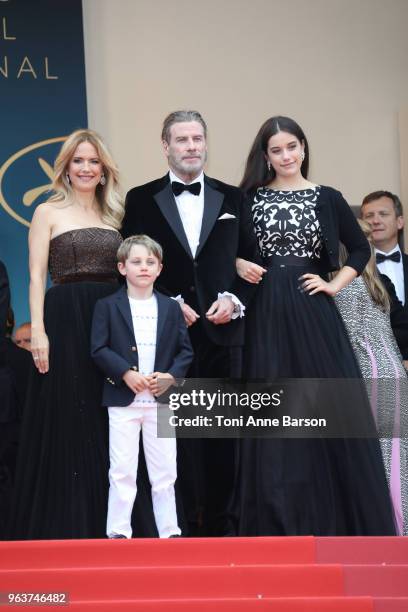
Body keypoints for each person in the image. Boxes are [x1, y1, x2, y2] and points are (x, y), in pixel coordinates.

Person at [234, 115, 395, 535]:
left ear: (303, 148)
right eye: (276, 150)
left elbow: (360, 248)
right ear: (265, 157)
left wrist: (332, 284)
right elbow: (225, 250)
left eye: (292, 146)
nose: (286, 156)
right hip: (266, 310)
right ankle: (278, 519)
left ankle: (336, 520)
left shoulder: (328, 196)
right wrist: (237, 262)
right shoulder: (248, 198)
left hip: (314, 311)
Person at [121, 110, 260, 536]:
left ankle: (222, 529)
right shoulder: (140, 198)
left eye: (198, 138)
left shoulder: (233, 197)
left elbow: (254, 260)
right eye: (182, 139)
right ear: (166, 146)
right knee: (170, 438)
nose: (192, 146)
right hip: (164, 337)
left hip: (223, 334)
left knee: (220, 437)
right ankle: (176, 528)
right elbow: (128, 263)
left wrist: (235, 299)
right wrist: (168, 302)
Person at [8, 129, 124, 539]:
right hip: (64, 319)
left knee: (110, 415)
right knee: (70, 413)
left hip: (110, 319)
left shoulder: (115, 217)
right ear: (66, 168)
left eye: (94, 161)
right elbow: (37, 277)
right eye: (79, 161)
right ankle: (69, 523)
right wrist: (38, 331)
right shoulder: (47, 212)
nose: (86, 168)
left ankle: (113, 524)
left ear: (104, 169)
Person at [91, 235, 193, 539]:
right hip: (123, 400)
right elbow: (98, 348)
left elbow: (185, 351)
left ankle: (170, 531)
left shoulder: (172, 308)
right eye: (136, 262)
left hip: (162, 401)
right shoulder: (107, 306)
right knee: (122, 468)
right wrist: (125, 373)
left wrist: (170, 376)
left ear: (160, 269)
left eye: (150, 262)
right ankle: (118, 531)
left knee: (165, 470)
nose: (144, 267)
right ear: (122, 268)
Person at [334, 220, 408, 535]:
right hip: (390, 371)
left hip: (369, 373)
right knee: (396, 454)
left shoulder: (345, 286)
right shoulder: (374, 283)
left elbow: (350, 338)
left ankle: (388, 527)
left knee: (379, 455)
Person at [361, 191, 408, 364]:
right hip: (373, 365)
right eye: (369, 215)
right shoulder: (351, 273)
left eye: (383, 214)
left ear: (400, 222)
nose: (375, 221)